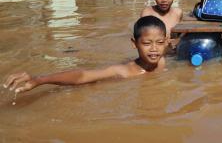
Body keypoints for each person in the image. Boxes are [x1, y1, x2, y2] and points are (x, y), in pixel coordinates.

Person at [3, 16, 169, 93]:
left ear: (166, 42)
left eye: (160, 43)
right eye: (147, 44)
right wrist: (39, 80)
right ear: (134, 44)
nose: (154, 49)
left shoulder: (162, 61)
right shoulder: (125, 71)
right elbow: (84, 76)